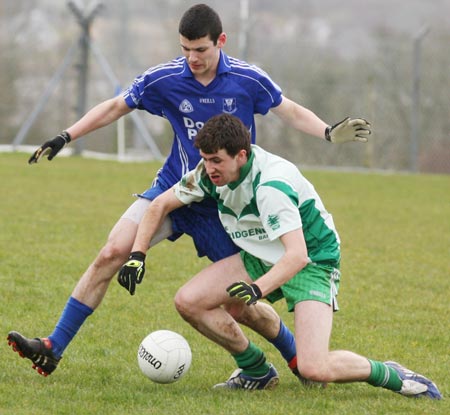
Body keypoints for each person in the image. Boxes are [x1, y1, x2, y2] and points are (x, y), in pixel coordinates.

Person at [7, 4, 370, 380]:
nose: (192, 58)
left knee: (239, 302)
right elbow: (117, 106)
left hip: (226, 204)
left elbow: (289, 110)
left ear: (220, 42)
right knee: (112, 251)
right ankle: (53, 346)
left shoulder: (247, 79)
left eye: (200, 50)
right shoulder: (163, 79)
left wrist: (328, 132)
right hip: (174, 190)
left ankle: (294, 358)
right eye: (185, 49)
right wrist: (67, 135)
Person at [118, 112, 442, 397]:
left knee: (315, 367)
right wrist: (137, 254)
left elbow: (297, 256)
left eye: (216, 160)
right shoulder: (208, 173)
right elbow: (160, 204)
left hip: (313, 259)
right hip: (262, 251)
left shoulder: (271, 186)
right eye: (205, 158)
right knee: (189, 301)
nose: (209, 168)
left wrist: (257, 290)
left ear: (241, 155)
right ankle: (256, 371)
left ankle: (392, 373)